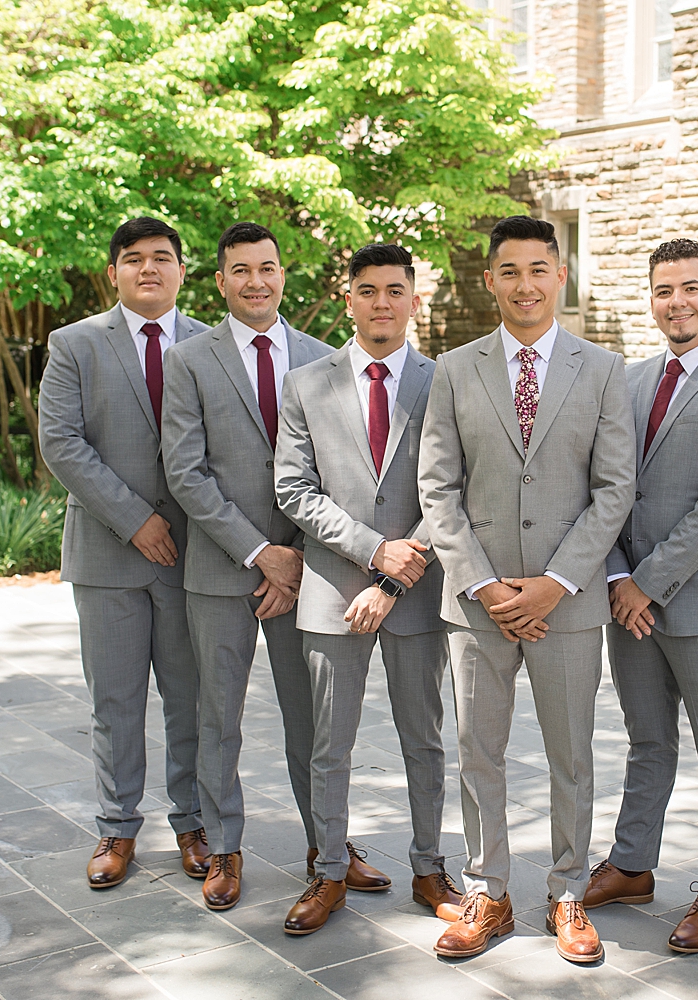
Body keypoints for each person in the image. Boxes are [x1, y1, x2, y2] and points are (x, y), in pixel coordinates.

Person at [417, 215, 636, 963]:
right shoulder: (454, 369)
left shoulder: (604, 371)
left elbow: (614, 490)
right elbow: (437, 489)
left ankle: (568, 892)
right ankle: (489, 891)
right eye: (510, 271)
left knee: (571, 753)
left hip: (566, 605)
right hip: (476, 607)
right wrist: (482, 584)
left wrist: (553, 584)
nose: (526, 285)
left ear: (561, 275)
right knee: (479, 752)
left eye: (539, 269)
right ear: (491, 281)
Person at [582, 239, 698, 954]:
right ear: (652, 299)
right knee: (646, 740)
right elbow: (601, 487)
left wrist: (645, 584)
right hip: (626, 598)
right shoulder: (628, 381)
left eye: (690, 288)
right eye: (664, 290)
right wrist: (614, 577)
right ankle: (632, 864)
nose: (676, 302)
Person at [273, 243, 463, 936]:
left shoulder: (445, 381)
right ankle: (327, 873)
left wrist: (395, 570)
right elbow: (293, 487)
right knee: (330, 745)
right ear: (347, 297)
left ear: (415, 299)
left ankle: (428, 867)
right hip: (331, 589)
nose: (381, 302)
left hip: (417, 592)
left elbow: (451, 491)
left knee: (425, 739)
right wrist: (370, 549)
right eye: (367, 290)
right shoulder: (305, 383)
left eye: (394, 289)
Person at [160, 222, 337, 912]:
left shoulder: (323, 359)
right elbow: (186, 470)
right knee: (217, 716)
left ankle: (328, 847)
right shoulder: (189, 360)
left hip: (304, 570)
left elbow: (333, 472)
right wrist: (258, 551)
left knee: (313, 720)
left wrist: (291, 554)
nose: (256, 281)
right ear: (220, 281)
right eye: (241, 270)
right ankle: (225, 848)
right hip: (220, 566)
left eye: (267, 268)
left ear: (283, 274)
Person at [38, 217, 211, 890]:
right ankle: (116, 825)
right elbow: (62, 443)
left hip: (193, 557)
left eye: (162, 258)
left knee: (189, 698)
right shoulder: (74, 344)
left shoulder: (213, 344)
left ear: (182, 271)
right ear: (113, 273)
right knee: (114, 699)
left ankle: (194, 822)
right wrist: (135, 519)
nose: (148, 268)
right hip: (109, 553)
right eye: (133, 259)